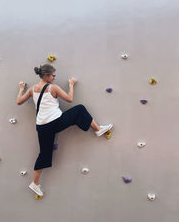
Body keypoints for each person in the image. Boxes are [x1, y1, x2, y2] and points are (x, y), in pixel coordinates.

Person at [17, 64, 113, 196]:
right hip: (56, 122)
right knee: (79, 109)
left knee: (44, 155)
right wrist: (72, 85)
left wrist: (21, 88)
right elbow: (69, 99)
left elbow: (19, 101)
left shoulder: (32, 89)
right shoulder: (53, 88)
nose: (54, 78)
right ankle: (97, 129)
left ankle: (35, 183)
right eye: (53, 76)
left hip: (42, 127)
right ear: (46, 76)